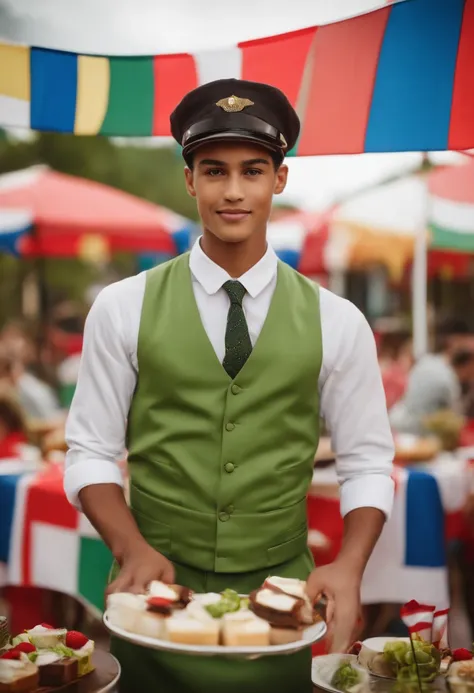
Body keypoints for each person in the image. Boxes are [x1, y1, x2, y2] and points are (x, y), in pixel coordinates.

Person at [64, 79, 394, 693]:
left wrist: (349, 565)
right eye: (214, 171)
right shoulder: (121, 307)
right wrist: (130, 546)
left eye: (254, 170)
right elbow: (88, 451)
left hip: (284, 605)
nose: (234, 191)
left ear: (280, 179)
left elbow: (369, 460)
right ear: (190, 180)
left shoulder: (338, 320)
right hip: (155, 600)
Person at [390, 318, 474, 436]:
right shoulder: (447, 380)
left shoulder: (428, 361)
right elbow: (456, 422)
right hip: (414, 435)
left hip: (396, 422)